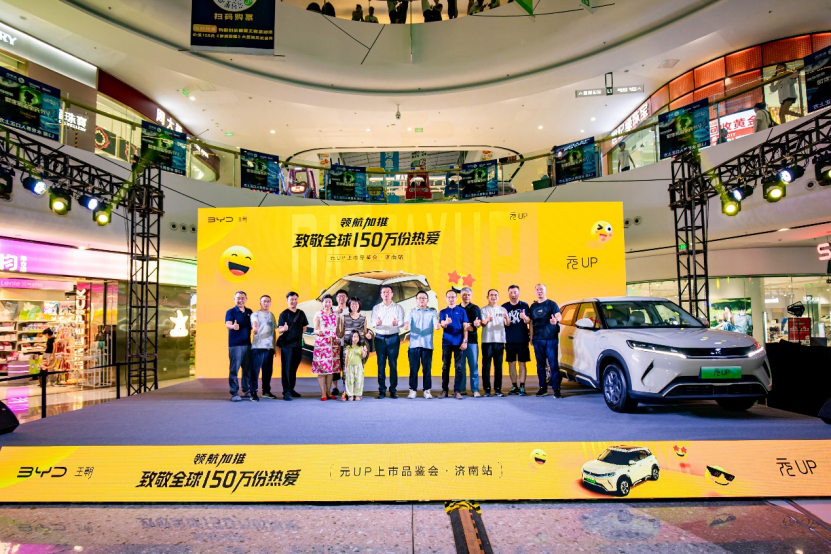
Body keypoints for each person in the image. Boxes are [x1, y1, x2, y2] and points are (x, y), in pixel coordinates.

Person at [370, 284, 405, 398]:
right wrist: (377, 323)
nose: (386, 294)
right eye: (384, 292)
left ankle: (393, 390)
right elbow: (372, 322)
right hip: (380, 338)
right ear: (381, 295)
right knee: (381, 365)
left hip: (393, 338)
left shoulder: (398, 307)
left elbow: (402, 322)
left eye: (388, 292)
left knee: (393, 365)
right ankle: (382, 390)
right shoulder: (376, 308)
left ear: (392, 294)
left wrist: (397, 323)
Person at [404, 290, 439, 398]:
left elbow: (436, 324)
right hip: (414, 345)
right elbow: (407, 322)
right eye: (419, 298)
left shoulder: (432, 312)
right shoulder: (411, 312)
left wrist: (438, 326)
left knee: (427, 369)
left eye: (424, 298)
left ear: (427, 300)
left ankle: (427, 390)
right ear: (416, 300)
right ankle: (412, 390)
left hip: (427, 345)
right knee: (413, 369)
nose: (421, 300)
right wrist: (406, 325)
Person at [529, 284, 562, 398]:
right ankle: (542, 388)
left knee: (553, 365)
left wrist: (556, 320)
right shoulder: (533, 306)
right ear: (535, 292)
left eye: (541, 289)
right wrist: (531, 337)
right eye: (537, 289)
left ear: (546, 291)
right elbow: (531, 323)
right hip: (538, 339)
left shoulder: (552, 304)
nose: (539, 291)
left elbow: (558, 315)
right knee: (540, 366)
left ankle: (556, 389)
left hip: (551, 339)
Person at [277, 291, 309, 401]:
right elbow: (279, 329)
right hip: (287, 345)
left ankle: (291, 389)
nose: (294, 301)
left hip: (298, 345)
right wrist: (284, 329)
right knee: (286, 368)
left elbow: (304, 327)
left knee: (294, 368)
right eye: (291, 299)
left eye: (295, 299)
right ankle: (286, 391)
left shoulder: (301, 313)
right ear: (287, 300)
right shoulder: (284, 314)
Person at [340, 296, 371, 399]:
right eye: (352, 304)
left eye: (356, 304)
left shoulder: (363, 318)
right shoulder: (344, 317)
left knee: (359, 370)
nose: (354, 306)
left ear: (359, 305)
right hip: (347, 347)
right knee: (346, 369)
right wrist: (335, 335)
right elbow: (341, 333)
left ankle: (358, 392)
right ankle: (346, 392)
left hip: (359, 347)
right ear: (349, 305)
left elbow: (365, 332)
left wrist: (368, 335)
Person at [439, 289, 468, 399]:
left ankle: (457, 391)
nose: (451, 299)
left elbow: (465, 327)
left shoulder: (462, 311)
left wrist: (465, 341)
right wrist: (445, 323)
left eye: (453, 297)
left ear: (456, 298)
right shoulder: (443, 312)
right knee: (445, 367)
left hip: (459, 343)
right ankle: (444, 390)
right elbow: (442, 324)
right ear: (446, 299)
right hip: (446, 343)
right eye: (449, 297)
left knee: (459, 367)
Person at [312, 294, 342, 401]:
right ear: (322, 303)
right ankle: (323, 393)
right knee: (322, 370)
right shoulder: (318, 315)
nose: (327, 304)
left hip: (333, 345)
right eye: (326, 302)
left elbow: (337, 331)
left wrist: (338, 338)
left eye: (329, 302)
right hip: (322, 345)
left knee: (331, 370)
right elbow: (314, 330)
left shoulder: (336, 315)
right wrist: (318, 332)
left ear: (332, 303)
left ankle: (329, 392)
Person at [502, 285, 531, 396]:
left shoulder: (524, 305)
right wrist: (505, 318)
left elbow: (528, 321)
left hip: (522, 339)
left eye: (515, 292)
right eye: (511, 292)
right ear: (508, 293)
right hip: (509, 339)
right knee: (511, 363)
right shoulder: (504, 307)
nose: (513, 294)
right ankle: (514, 385)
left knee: (522, 363)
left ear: (519, 293)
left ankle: (522, 386)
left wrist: (524, 317)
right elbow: (504, 324)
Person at [225, 291, 253, 402]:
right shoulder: (231, 312)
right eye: (238, 298)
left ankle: (246, 391)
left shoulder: (249, 312)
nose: (240, 300)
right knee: (234, 369)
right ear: (234, 299)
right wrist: (232, 326)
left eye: (242, 298)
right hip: (235, 345)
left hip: (247, 345)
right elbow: (227, 324)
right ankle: (234, 393)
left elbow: (254, 324)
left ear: (246, 299)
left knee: (247, 369)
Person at [480, 289, 508, 397]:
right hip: (487, 341)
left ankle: (498, 389)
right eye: (491, 295)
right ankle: (487, 389)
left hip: (500, 341)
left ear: (498, 297)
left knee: (498, 367)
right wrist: (487, 319)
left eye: (495, 295)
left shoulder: (502, 309)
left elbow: (508, 323)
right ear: (487, 297)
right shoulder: (483, 310)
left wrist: (506, 318)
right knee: (486, 366)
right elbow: (482, 324)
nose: (493, 297)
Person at [250, 295, 277, 401]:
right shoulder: (255, 314)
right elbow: (254, 323)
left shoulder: (272, 315)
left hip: (269, 348)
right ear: (260, 303)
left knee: (267, 372)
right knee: (255, 372)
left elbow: (274, 330)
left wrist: (274, 347)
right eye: (264, 301)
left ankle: (266, 391)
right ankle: (253, 392)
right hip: (257, 348)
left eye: (268, 301)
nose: (266, 303)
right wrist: (255, 328)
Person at [459, 287, 482, 397]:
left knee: (473, 366)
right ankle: (461, 389)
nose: (466, 296)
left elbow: (477, 325)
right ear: (460, 295)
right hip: (459, 342)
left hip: (472, 342)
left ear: (471, 296)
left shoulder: (475, 308)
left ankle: (475, 389)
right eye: (464, 294)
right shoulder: (457, 309)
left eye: (468, 295)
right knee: (461, 367)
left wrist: (475, 325)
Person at [332, 289, 350, 397]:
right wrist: (335, 313)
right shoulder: (332, 310)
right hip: (335, 343)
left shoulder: (350, 310)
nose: (341, 298)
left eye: (343, 296)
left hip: (346, 343)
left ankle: (345, 387)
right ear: (336, 298)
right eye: (339, 296)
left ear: (347, 298)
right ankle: (335, 387)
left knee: (345, 365)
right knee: (335, 366)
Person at [343, 330, 368, 401]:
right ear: (351, 338)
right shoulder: (348, 348)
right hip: (350, 367)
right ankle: (350, 394)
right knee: (350, 381)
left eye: (357, 337)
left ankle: (358, 394)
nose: (356, 338)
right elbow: (346, 358)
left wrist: (365, 351)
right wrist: (345, 367)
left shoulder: (360, 347)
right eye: (354, 337)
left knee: (359, 381)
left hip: (358, 367)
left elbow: (363, 356)